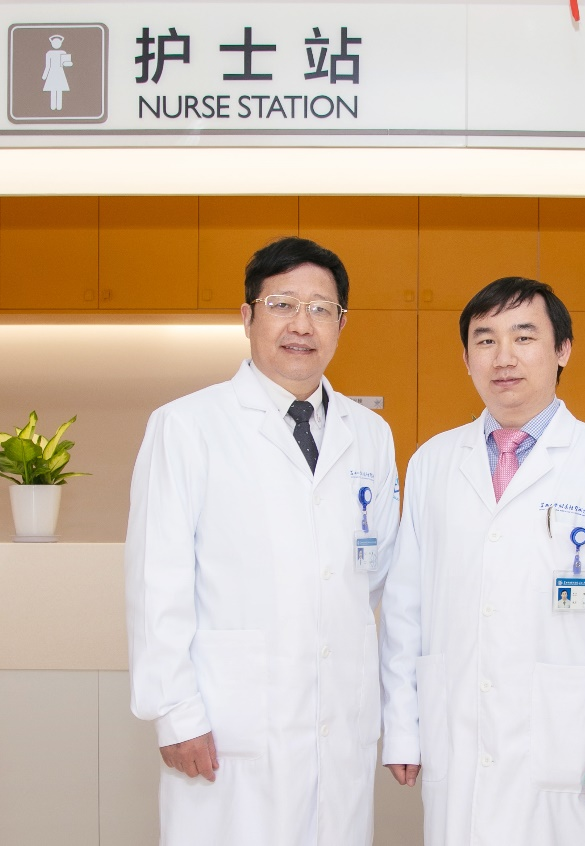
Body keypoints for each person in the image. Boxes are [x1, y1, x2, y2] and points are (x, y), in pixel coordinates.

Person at [125, 236, 401, 846]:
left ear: (341, 324)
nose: (302, 324)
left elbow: (373, 576)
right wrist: (175, 713)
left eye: (321, 309)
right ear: (247, 317)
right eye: (282, 304)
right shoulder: (186, 426)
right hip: (229, 726)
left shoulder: (370, 434)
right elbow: (156, 583)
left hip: (339, 721)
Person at [379, 277, 585, 846]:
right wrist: (401, 727)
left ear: (562, 349)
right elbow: (404, 610)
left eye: (524, 336)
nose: (504, 357)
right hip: (458, 739)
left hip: (570, 747)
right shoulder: (432, 462)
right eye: (485, 340)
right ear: (466, 358)